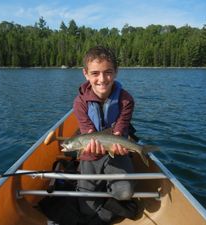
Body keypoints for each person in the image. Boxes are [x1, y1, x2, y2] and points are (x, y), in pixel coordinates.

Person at [73, 46, 136, 224]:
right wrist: (93, 147)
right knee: (86, 208)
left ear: (116, 72)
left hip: (115, 149)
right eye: (95, 73)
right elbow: (88, 132)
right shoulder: (79, 102)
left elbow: (121, 128)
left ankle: (109, 191)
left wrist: (120, 146)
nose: (102, 79)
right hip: (91, 152)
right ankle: (102, 193)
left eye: (108, 72)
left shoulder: (126, 100)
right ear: (85, 74)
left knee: (124, 193)